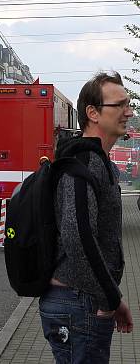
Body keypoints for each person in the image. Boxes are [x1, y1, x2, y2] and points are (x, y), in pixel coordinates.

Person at [40, 72, 133, 363]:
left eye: (128, 104)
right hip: (78, 303)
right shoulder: (82, 164)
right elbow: (77, 236)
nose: (129, 112)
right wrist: (111, 298)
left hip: (83, 300)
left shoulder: (96, 162)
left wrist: (111, 298)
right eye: (120, 105)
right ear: (93, 113)